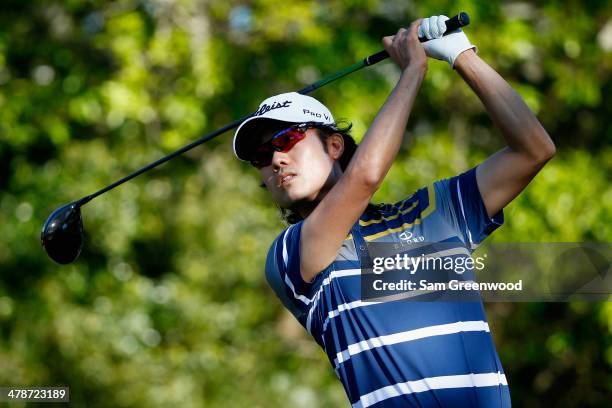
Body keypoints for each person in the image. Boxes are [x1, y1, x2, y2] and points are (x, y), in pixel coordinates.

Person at [232, 15, 555, 408]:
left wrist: (461, 55)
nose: (276, 160)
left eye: (286, 139)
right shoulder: (290, 254)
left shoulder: (432, 214)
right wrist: (413, 70)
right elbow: (364, 177)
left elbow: (534, 150)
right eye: (261, 157)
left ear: (334, 146)